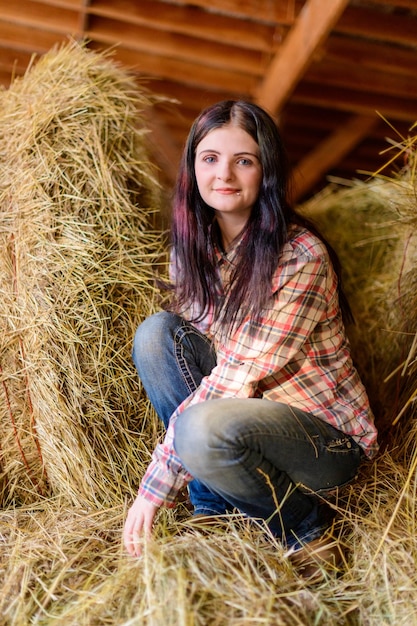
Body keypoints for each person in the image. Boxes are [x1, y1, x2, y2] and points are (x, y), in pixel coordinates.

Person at [123, 100, 378, 573]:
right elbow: (202, 367)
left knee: (201, 428)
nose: (225, 174)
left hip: (321, 439)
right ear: (193, 168)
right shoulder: (192, 253)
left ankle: (306, 528)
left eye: (244, 160)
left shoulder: (301, 256)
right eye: (210, 158)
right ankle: (214, 506)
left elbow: (235, 376)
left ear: (266, 172)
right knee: (157, 336)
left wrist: (153, 489)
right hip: (241, 421)